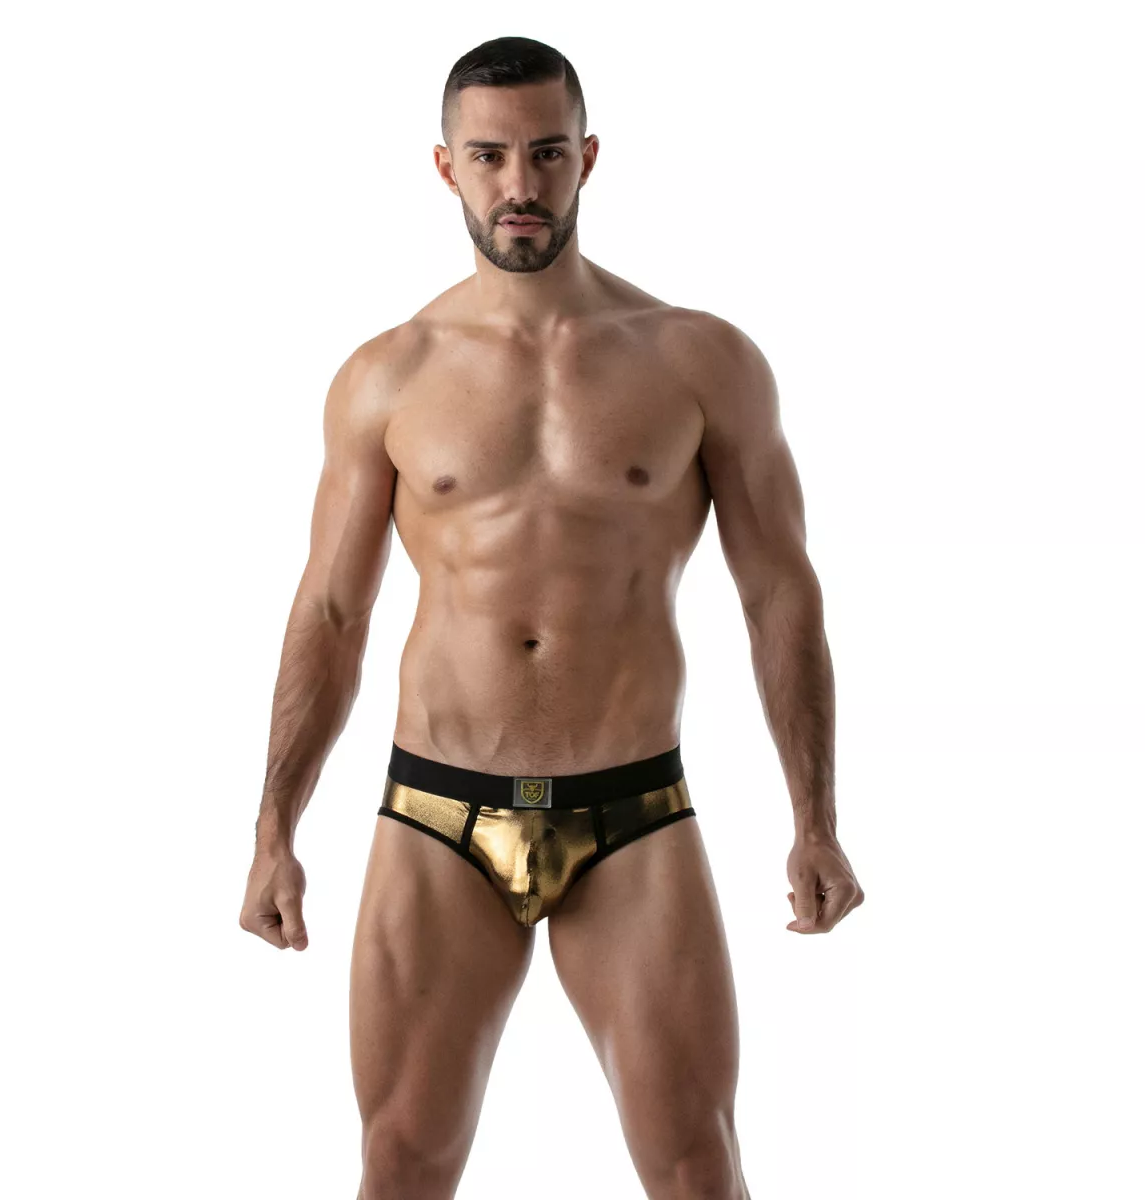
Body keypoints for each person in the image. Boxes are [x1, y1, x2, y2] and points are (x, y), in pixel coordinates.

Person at [239, 34, 864, 1200]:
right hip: (438, 812)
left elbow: (779, 591)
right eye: (489, 156)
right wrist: (275, 829)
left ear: (588, 157)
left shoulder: (699, 361)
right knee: (400, 1163)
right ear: (446, 167)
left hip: (632, 815)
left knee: (697, 1165)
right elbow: (331, 607)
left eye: (544, 153)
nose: (518, 183)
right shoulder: (389, 374)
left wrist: (815, 820)